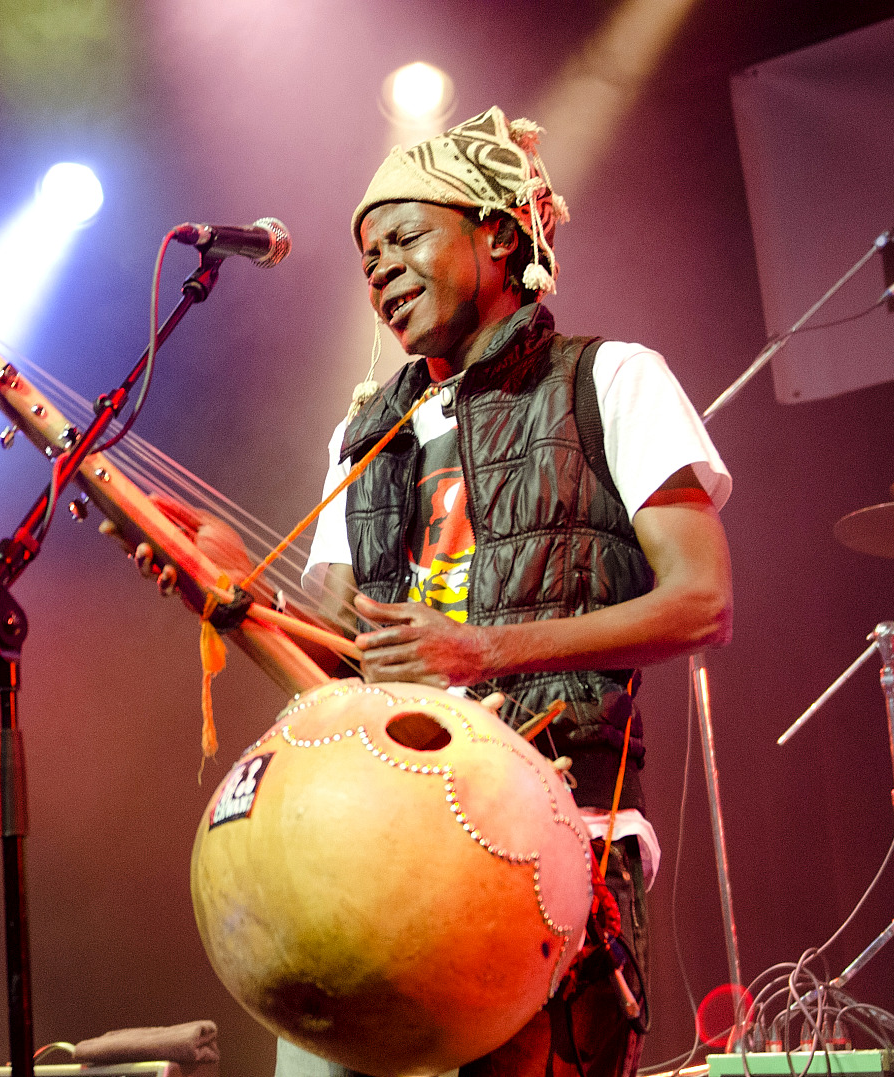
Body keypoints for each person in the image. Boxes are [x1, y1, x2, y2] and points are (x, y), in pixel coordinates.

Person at [134, 107, 733, 1077]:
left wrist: (483, 651)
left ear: (498, 234)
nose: (380, 273)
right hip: (372, 849)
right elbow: (330, 669)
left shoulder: (611, 379)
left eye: (405, 238)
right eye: (368, 261)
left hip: (552, 835)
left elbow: (700, 602)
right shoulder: (363, 433)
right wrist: (233, 588)